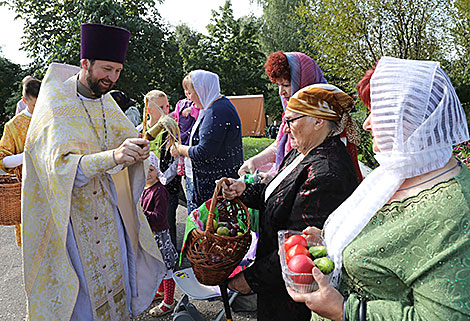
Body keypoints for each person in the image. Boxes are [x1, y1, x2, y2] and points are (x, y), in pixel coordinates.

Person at [287, 57, 470, 320]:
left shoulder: (455, 211)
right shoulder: (395, 173)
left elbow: (447, 316)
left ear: (411, 118)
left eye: (378, 113)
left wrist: (346, 311)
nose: (366, 123)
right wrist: (329, 241)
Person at [22, 23, 166, 321]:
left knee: (117, 290)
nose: (112, 78)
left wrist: (136, 154)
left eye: (117, 71)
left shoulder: (107, 103)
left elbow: (123, 150)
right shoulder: (55, 106)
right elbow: (60, 169)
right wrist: (113, 155)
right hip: (72, 220)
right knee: (85, 300)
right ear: (85, 63)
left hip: (110, 216)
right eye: (106, 69)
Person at [221, 83, 360, 321]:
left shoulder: (326, 173)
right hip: (278, 288)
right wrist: (243, 189)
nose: (285, 129)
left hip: (295, 300)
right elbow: (279, 193)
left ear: (318, 121)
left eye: (291, 121)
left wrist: (248, 280)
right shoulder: (303, 152)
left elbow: (297, 248)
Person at [238, 51, 363, 182]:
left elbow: (316, 169)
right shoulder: (290, 112)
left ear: (303, 81)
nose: (281, 92)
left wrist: (278, 180)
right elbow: (281, 144)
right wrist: (255, 161)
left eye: (285, 85)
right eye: (278, 86)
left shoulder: (326, 117)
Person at [171, 70, 243, 208]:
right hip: (213, 186)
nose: (189, 98)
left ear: (201, 90)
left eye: (190, 92)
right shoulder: (215, 106)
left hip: (214, 189)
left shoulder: (217, 111)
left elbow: (204, 152)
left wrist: (180, 149)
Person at [0, 76, 41, 246]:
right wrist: (27, 156)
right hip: (27, 191)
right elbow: (2, 160)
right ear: (24, 101)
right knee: (32, 246)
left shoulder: (52, 118)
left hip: (53, 187)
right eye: (34, 105)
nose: (39, 109)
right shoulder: (13, 126)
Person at [141, 90, 183, 249]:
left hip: (167, 187)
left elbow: (176, 160)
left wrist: (163, 177)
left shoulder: (170, 129)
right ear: (149, 110)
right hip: (145, 186)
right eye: (161, 107)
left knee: (167, 222)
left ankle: (171, 256)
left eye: (167, 106)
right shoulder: (141, 130)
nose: (166, 111)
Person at [140, 152, 179, 317]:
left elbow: (160, 216)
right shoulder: (143, 188)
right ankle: (161, 291)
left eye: (151, 170)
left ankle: (169, 301)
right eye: (144, 170)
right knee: (155, 266)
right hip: (150, 235)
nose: (147, 174)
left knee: (165, 267)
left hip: (160, 237)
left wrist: (142, 215)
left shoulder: (159, 191)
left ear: (157, 170)